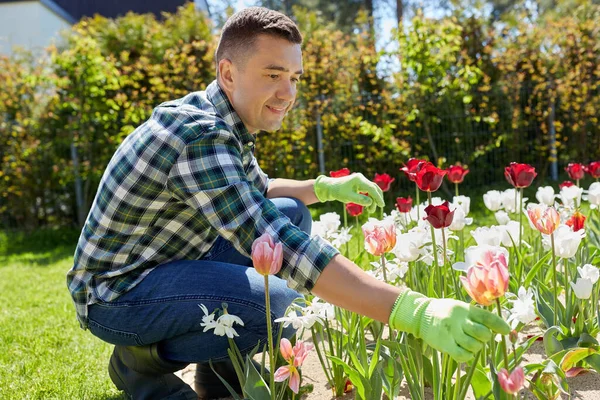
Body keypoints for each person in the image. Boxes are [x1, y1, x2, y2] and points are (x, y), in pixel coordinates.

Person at [66, 6, 510, 400]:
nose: (288, 93)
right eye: (273, 75)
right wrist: (410, 309)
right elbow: (279, 241)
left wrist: (325, 187)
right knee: (279, 310)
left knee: (292, 212)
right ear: (228, 73)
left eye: (294, 78)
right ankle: (140, 366)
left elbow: (258, 191)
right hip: (117, 294)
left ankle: (221, 376)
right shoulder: (199, 137)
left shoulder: (222, 118)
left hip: (167, 262)